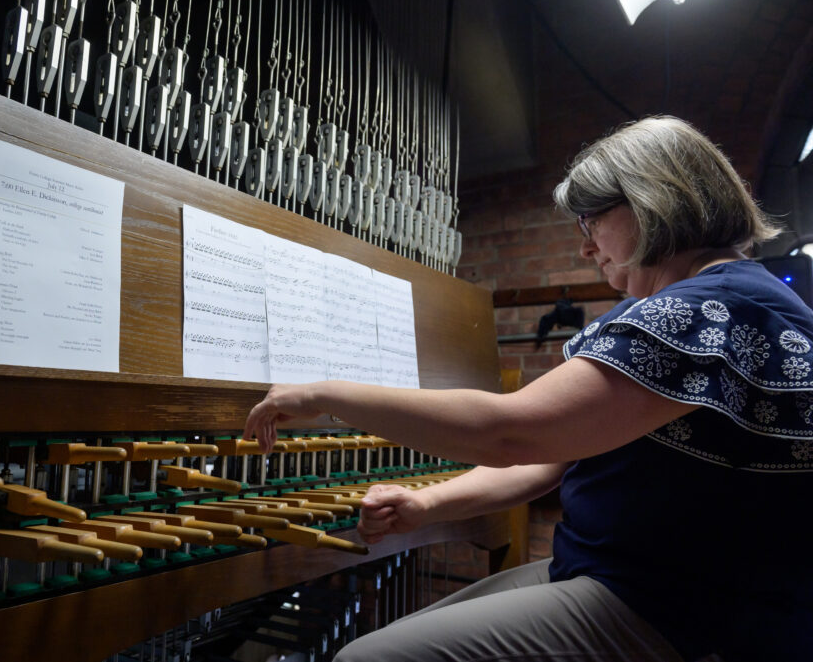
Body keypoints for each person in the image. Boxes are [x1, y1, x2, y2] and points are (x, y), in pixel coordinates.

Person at [244, 116, 813, 661]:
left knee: (365, 657)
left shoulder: (710, 311)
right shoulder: (706, 301)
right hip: (616, 575)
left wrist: (324, 395)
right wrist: (427, 502)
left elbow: (509, 433)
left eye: (591, 221)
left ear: (651, 200)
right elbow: (554, 457)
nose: (585, 247)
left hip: (678, 608)